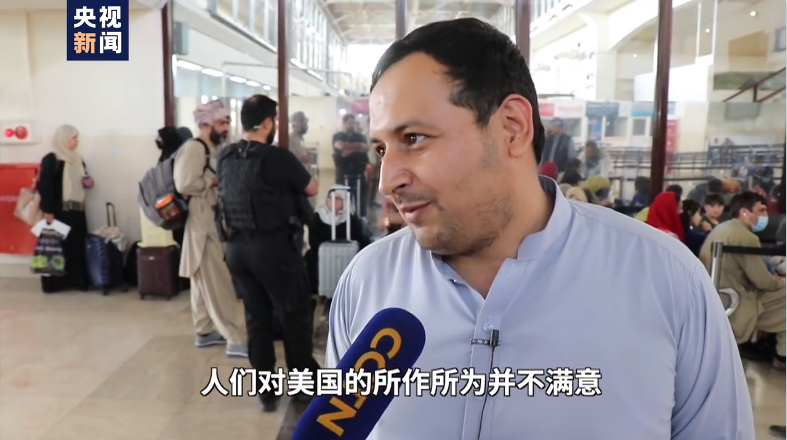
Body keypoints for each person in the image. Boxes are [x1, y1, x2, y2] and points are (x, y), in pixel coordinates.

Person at [327, 18, 752, 439]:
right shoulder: (367, 283)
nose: (387, 181)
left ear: (512, 127)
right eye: (381, 149)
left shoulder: (666, 280)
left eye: (414, 138)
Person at [217, 95, 321, 412]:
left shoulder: (226, 155)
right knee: (294, 315)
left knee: (257, 318)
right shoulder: (278, 157)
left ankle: (266, 390)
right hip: (273, 250)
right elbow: (313, 188)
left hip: (237, 249)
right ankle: (303, 385)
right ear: (267, 123)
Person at [173, 100, 246, 358]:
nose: (225, 127)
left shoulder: (211, 149)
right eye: (221, 122)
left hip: (210, 223)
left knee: (203, 282)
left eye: (227, 122)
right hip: (203, 227)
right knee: (218, 284)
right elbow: (183, 183)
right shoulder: (194, 148)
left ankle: (204, 331)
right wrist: (212, 181)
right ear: (206, 124)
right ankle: (235, 338)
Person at [699, 192, 786, 371]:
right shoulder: (746, 237)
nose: (765, 216)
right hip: (735, 300)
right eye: (761, 210)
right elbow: (763, 282)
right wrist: (781, 282)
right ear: (745, 212)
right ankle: (782, 355)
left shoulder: (724, 228)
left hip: (718, 294)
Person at [38, 124, 92, 293]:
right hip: (58, 211)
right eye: (73, 138)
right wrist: (48, 211)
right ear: (64, 139)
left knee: (75, 246)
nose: (76, 141)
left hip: (76, 211)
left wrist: (89, 183)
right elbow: (46, 186)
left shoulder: (78, 159)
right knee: (55, 248)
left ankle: (76, 281)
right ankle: (54, 284)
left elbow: (84, 180)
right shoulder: (51, 159)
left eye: (77, 138)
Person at [305, 186, 372, 296]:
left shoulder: (350, 217)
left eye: (338, 199)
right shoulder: (318, 215)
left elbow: (359, 238)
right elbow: (313, 240)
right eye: (330, 198)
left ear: (345, 201)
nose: (333, 202)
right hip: (321, 255)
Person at [332, 113, 372, 217]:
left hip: (358, 171)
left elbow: (365, 148)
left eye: (353, 123)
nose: (352, 125)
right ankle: (343, 219)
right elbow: (339, 145)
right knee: (343, 198)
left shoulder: (359, 136)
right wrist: (357, 147)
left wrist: (348, 149)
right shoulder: (338, 136)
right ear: (344, 123)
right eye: (350, 123)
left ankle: (361, 219)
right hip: (343, 172)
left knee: (360, 198)